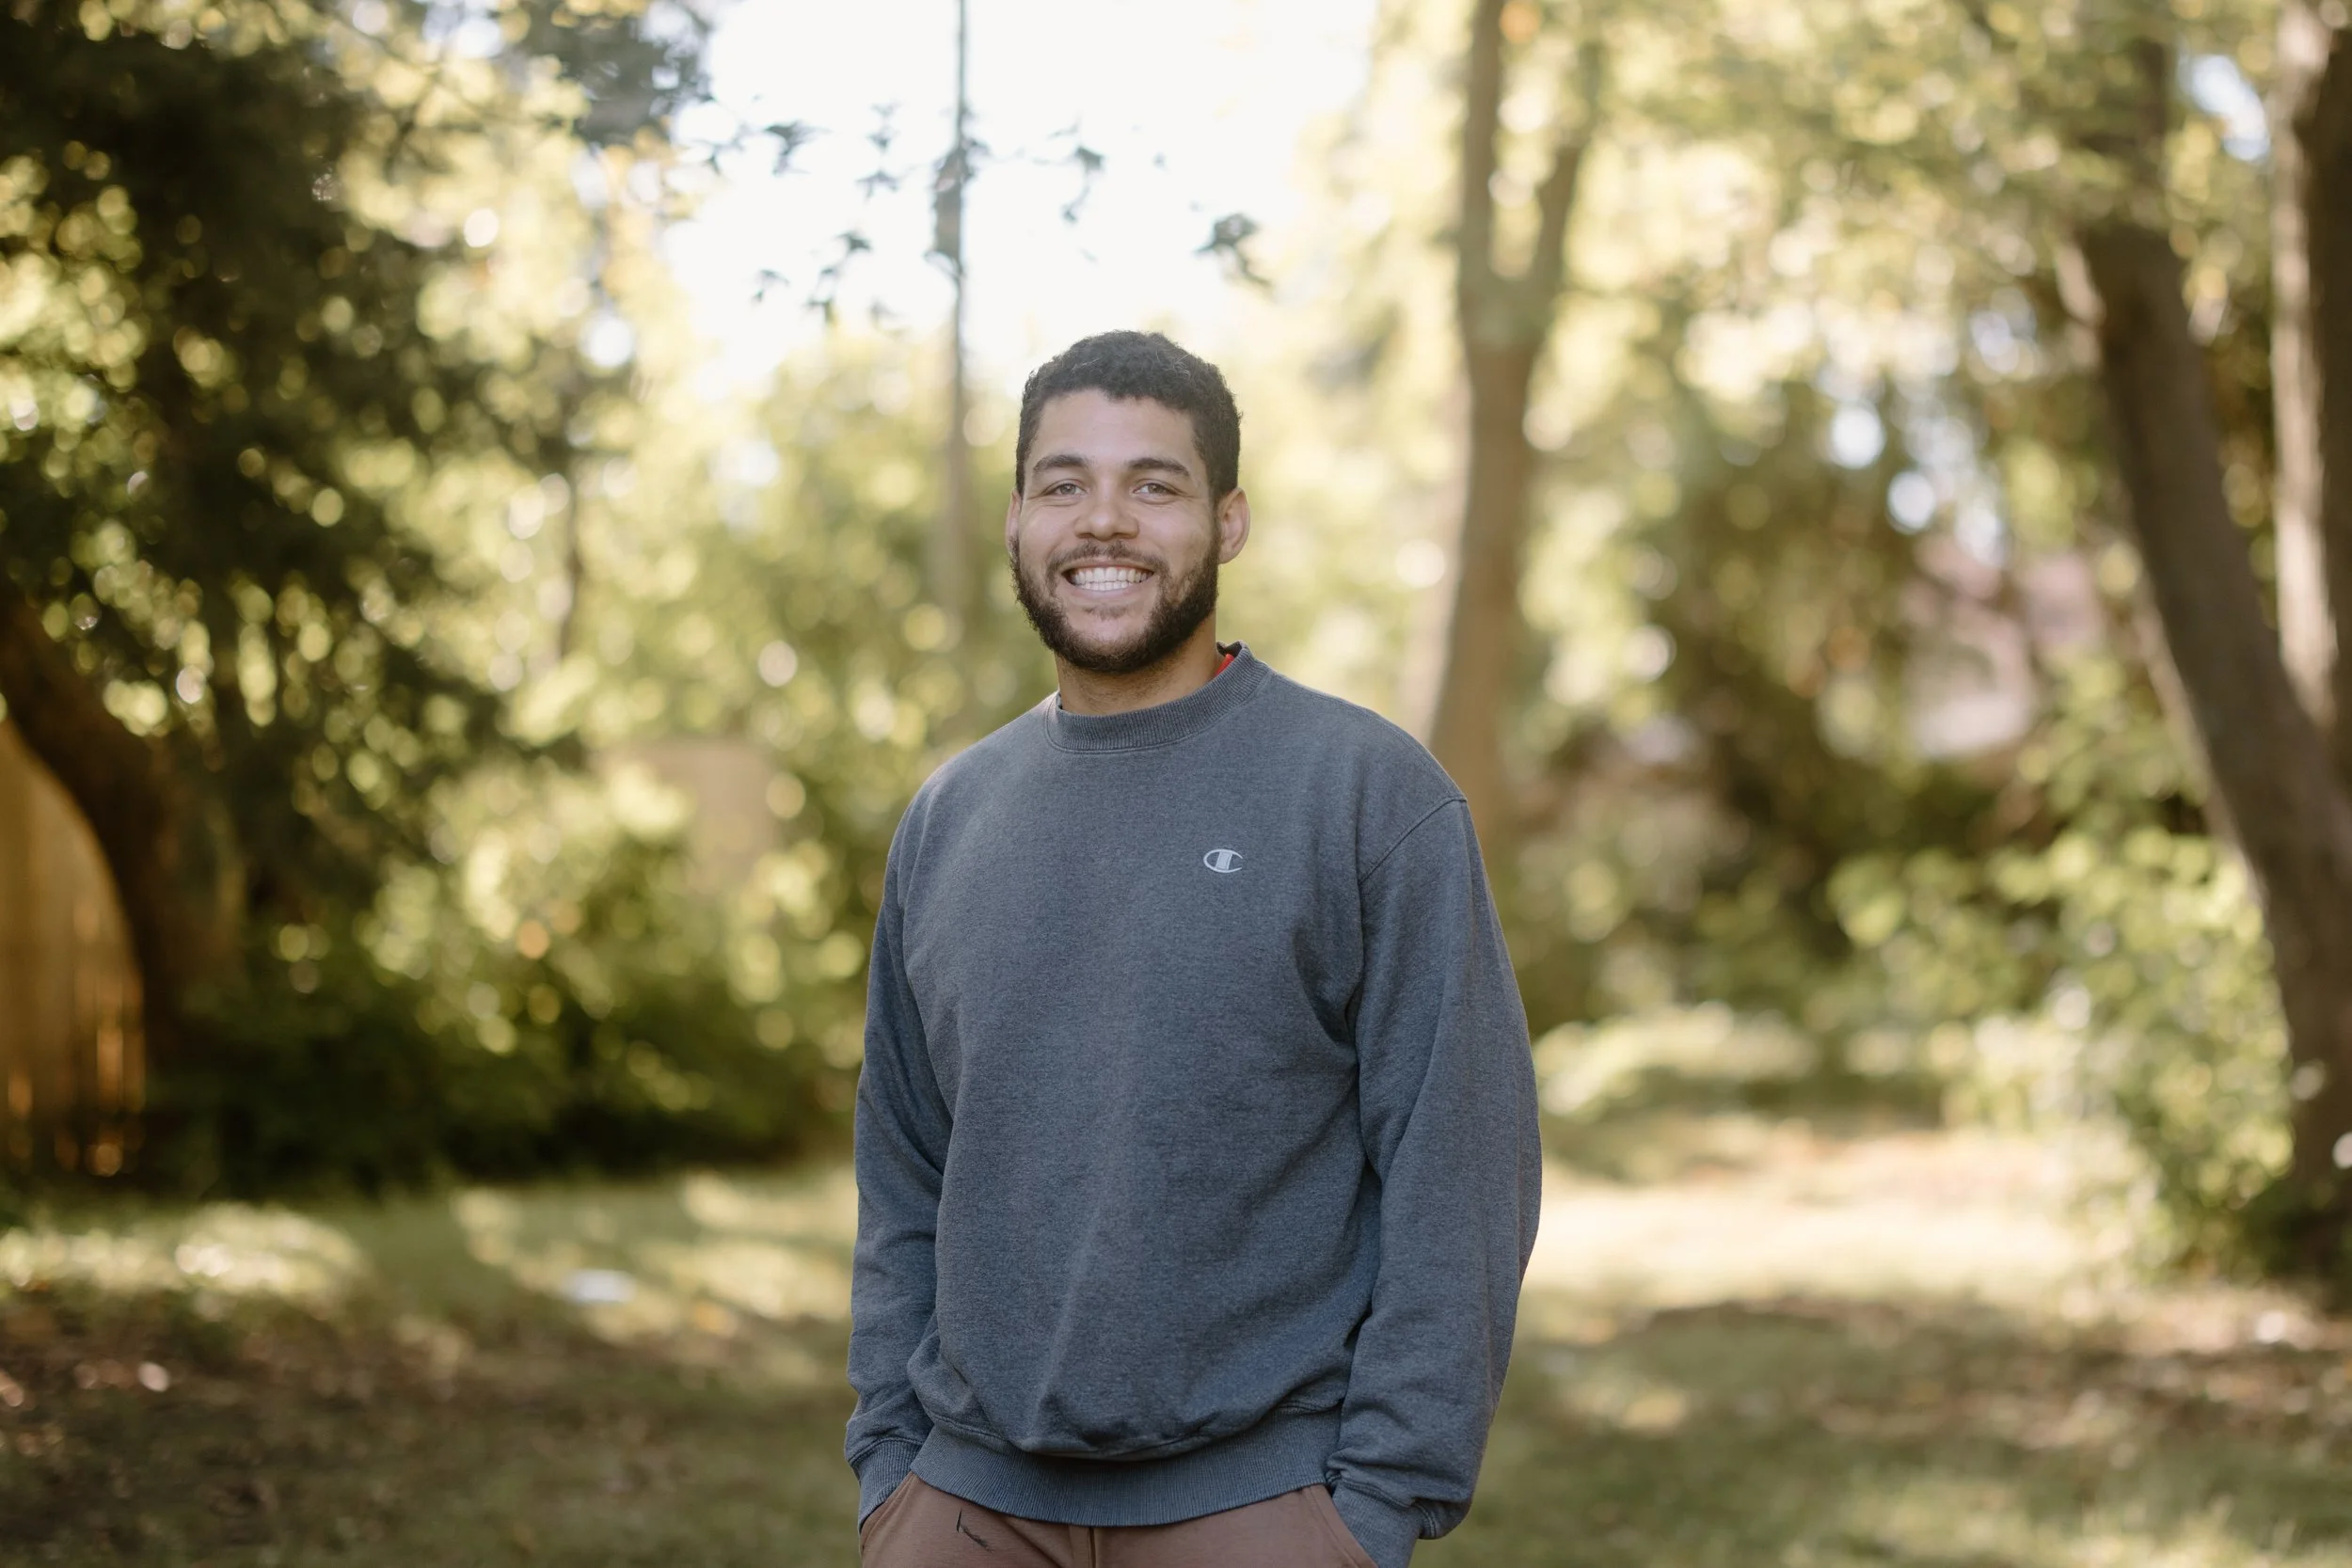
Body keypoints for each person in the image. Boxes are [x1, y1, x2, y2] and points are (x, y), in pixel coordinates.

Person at [846, 330, 1541, 1568]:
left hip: (1263, 1508)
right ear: (1015, 520)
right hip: (960, 1505)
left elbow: (1462, 1168)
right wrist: (891, 1472)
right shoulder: (949, 818)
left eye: (1152, 484)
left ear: (1227, 522)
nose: (1103, 521)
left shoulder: (1367, 794)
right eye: (1065, 483)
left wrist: (1372, 1506)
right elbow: (904, 1173)